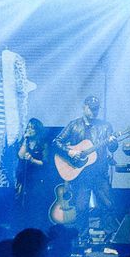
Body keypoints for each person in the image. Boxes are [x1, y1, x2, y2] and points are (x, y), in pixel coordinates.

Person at [52, 96, 118, 236]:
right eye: (91, 108)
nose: (94, 111)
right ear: (84, 107)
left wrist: (112, 142)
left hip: (99, 173)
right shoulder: (74, 125)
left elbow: (112, 149)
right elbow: (56, 142)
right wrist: (70, 151)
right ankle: (81, 238)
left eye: (96, 109)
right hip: (81, 174)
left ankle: (110, 236)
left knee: (107, 205)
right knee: (81, 208)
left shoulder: (105, 126)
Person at [13, 118, 51, 223]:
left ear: (37, 130)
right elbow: (20, 156)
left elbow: (45, 163)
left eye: (32, 128)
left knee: (35, 204)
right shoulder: (23, 142)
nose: (29, 130)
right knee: (22, 203)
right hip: (23, 177)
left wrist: (32, 160)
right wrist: (25, 140)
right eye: (28, 127)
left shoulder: (43, 144)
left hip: (37, 179)